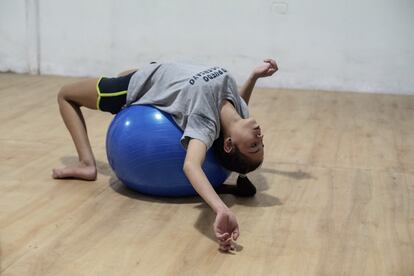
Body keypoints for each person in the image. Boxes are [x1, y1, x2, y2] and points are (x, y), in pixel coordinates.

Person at [52, 58, 278, 252]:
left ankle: (86, 163)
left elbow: (191, 165)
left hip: (137, 85)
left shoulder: (205, 123)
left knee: (66, 95)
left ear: (228, 144)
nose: (260, 136)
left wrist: (220, 208)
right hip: (154, 70)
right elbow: (241, 109)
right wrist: (255, 77)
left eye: (254, 146)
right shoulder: (237, 109)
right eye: (262, 143)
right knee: (126, 70)